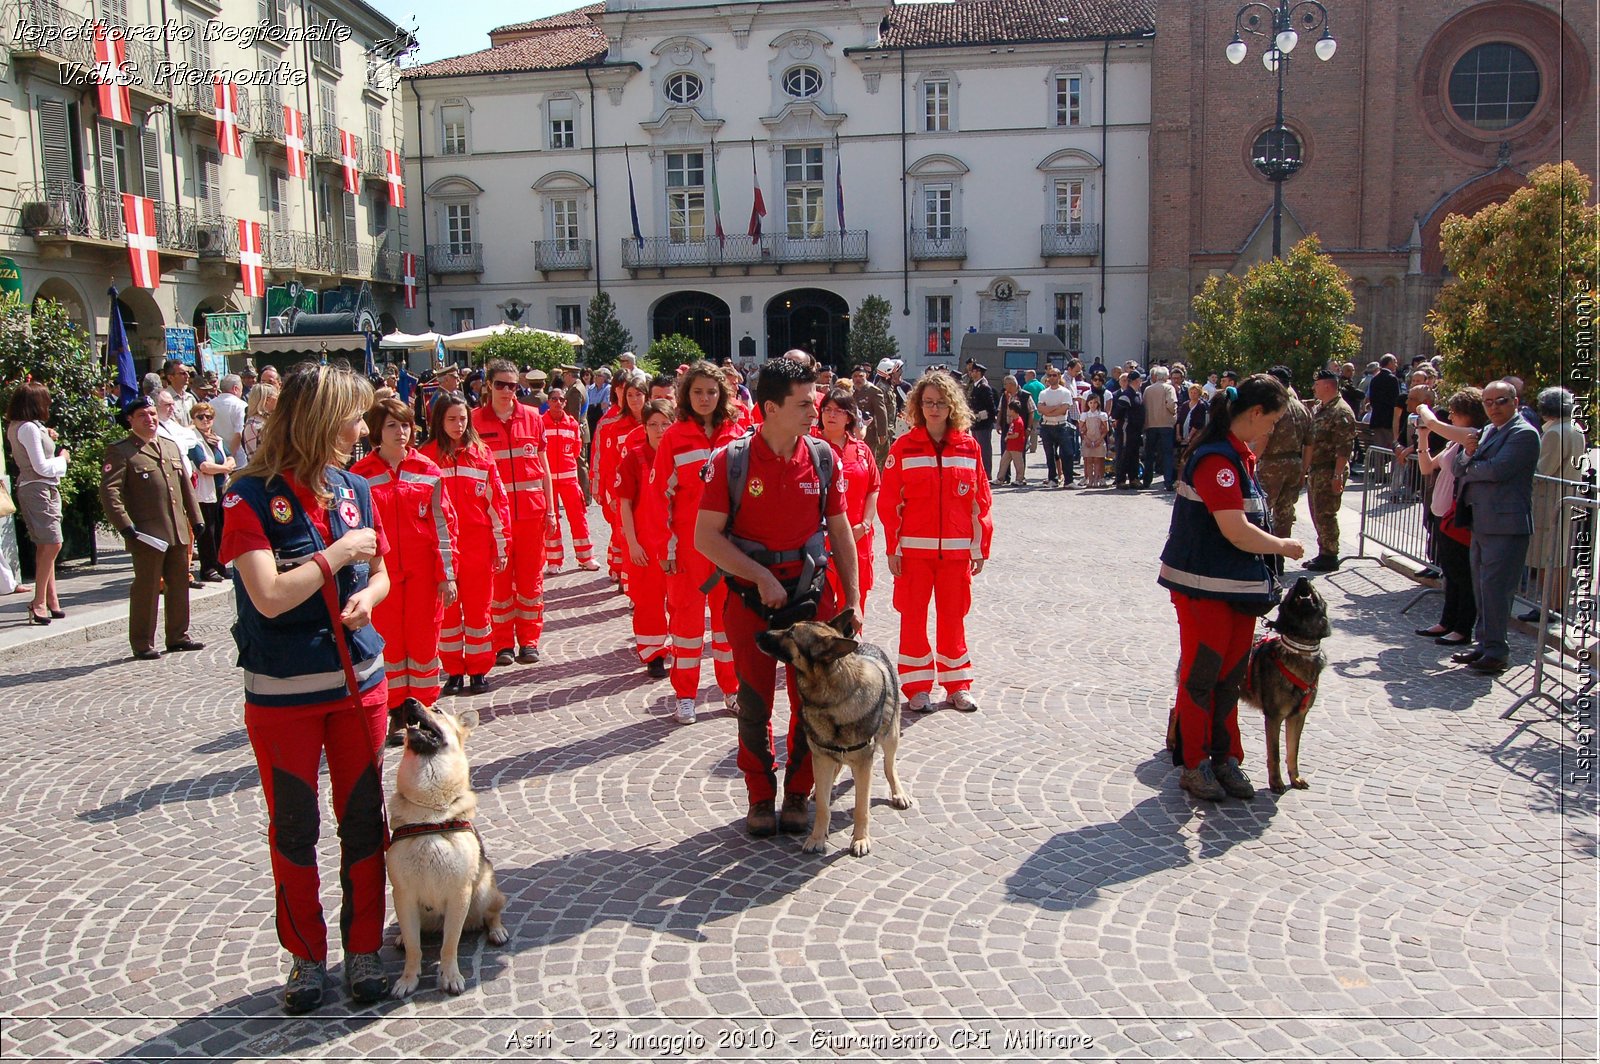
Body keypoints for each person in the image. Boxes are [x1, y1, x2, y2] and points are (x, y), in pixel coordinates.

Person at [218, 363, 391, 1012]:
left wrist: (367, 595)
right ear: (320, 419)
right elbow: (267, 596)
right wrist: (338, 557)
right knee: (294, 830)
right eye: (352, 415)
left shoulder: (354, 488)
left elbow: (383, 575)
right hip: (283, 695)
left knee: (363, 826)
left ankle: (365, 950)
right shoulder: (249, 496)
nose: (361, 427)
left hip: (360, 689)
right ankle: (306, 960)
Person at [695, 356, 858, 836]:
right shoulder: (732, 461)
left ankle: (798, 793)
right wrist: (758, 577)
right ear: (770, 407)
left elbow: (840, 529)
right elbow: (706, 537)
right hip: (750, 601)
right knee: (754, 701)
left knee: (813, 699)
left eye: (816, 399)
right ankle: (760, 796)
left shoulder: (823, 458)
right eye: (805, 402)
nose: (816, 409)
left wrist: (853, 596)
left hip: (812, 598)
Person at [1158, 373, 1304, 801]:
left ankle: (1226, 758)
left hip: (1236, 590)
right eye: (1273, 420)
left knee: (1230, 679)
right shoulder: (1217, 460)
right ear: (1255, 413)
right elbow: (1235, 530)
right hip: (1204, 589)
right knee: (1202, 677)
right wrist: (1283, 547)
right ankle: (1195, 761)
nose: (1273, 429)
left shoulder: (1239, 457)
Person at [878, 370, 993, 712]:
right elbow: (889, 502)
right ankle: (916, 687)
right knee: (912, 619)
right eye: (927, 402)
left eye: (941, 403)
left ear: (951, 406)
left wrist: (980, 547)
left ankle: (957, 684)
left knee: (953, 618)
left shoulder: (969, 447)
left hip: (956, 555)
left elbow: (980, 501)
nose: (934, 409)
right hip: (913, 554)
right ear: (917, 406)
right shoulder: (903, 447)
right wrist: (893, 548)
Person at [1422, 380, 1540, 675]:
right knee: (1481, 588)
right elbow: (1461, 465)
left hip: (1506, 524)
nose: (1494, 407)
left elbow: (1497, 470)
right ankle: (1485, 643)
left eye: (1500, 401)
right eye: (1488, 402)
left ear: (1514, 401)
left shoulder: (1524, 433)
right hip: (1481, 522)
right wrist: (1471, 458)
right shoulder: (1488, 431)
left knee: (1496, 590)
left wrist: (1473, 462)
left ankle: (1497, 651)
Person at [351, 397, 457, 711]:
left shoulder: (428, 470)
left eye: (406, 425)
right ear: (377, 431)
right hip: (380, 575)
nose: (401, 432)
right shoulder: (360, 475)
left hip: (423, 572)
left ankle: (423, 705)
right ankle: (395, 708)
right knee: (389, 642)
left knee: (424, 640)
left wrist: (447, 575)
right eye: (392, 425)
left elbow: (444, 525)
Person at [655, 361, 744, 723]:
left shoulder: (738, 434)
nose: (705, 398)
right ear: (686, 395)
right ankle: (685, 695)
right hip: (687, 550)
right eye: (697, 391)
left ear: (722, 393)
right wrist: (667, 547)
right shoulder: (674, 437)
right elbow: (659, 495)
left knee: (729, 626)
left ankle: (732, 690)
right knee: (687, 627)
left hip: (729, 549)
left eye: (711, 391)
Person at [419, 394, 510, 696]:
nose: (459, 425)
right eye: (451, 419)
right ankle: (454, 670)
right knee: (447, 614)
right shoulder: (426, 457)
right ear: (438, 422)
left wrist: (501, 544)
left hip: (477, 547)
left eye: (463, 419)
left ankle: (479, 669)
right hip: (441, 549)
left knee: (478, 612)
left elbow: (498, 504)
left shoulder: (482, 455)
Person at [473, 359, 557, 667]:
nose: (508, 391)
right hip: (493, 519)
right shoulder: (474, 421)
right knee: (498, 582)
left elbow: (545, 470)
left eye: (513, 385)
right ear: (488, 386)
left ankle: (529, 640)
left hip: (532, 515)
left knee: (530, 581)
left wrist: (550, 511)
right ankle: (503, 643)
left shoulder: (534, 417)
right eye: (500, 385)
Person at [1414, 387, 1488, 646]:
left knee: (1462, 575)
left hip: (1458, 517)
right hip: (1441, 515)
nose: (1452, 417)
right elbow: (1427, 466)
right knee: (1450, 572)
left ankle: (1462, 627)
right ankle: (1447, 621)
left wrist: (1423, 409)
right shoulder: (1454, 441)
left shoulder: (1473, 436)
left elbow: (1434, 422)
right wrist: (1422, 437)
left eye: (1456, 413)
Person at [617, 399, 674, 678]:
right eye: (653, 424)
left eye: (665, 423)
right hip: (646, 546)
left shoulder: (681, 456)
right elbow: (625, 504)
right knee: (649, 603)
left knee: (679, 601)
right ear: (645, 427)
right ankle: (654, 654)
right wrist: (633, 543)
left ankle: (679, 647)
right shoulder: (635, 457)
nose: (659, 430)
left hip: (676, 543)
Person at [6, 381, 69, 624]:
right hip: (37, 487)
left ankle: (50, 599)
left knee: (47, 545)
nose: (49, 404)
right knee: (52, 543)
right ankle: (39, 601)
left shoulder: (24, 426)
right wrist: (62, 459)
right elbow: (40, 466)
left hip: (41, 487)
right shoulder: (28, 428)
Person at [817, 387, 881, 617]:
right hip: (819, 540)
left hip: (857, 537)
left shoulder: (861, 450)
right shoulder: (808, 446)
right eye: (827, 409)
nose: (831, 415)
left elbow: (874, 487)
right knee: (819, 605)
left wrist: (865, 524)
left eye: (838, 410)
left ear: (849, 417)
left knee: (852, 605)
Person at [1524, 386, 1585, 622]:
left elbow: (1543, 470)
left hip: (1549, 501)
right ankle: (1554, 604)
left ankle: (1548, 605)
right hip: (1565, 497)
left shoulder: (1554, 433)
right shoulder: (1575, 429)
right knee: (1558, 556)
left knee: (1546, 557)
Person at [594, 370, 648, 589]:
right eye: (630, 395)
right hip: (626, 493)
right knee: (626, 538)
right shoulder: (615, 427)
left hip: (650, 492)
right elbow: (607, 463)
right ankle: (631, 587)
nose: (634, 400)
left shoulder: (656, 422)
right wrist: (609, 494)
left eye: (638, 395)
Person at [1302, 370, 1357, 572]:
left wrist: (1338, 474)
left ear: (1327, 386)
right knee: (1316, 512)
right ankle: (1323, 550)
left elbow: (1344, 447)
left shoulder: (1341, 411)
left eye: (1317, 385)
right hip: (1317, 469)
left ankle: (1330, 554)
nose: (1314, 388)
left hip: (1330, 469)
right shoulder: (1321, 408)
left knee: (1326, 513)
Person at [541, 389, 598, 573]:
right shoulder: (540, 423)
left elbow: (576, 450)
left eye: (561, 399)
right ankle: (554, 561)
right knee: (551, 520)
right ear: (548, 401)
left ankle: (586, 558)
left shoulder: (572, 424)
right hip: (548, 481)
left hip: (569, 480)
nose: (558, 402)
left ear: (566, 402)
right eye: (554, 399)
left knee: (578, 518)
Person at [1256, 366, 1312, 550]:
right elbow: (1309, 443)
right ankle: (1280, 554)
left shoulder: (1275, 406)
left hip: (1273, 463)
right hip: (1294, 464)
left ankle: (1263, 553)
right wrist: (1304, 468)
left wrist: (1252, 460)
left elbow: (1265, 436)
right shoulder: (1302, 408)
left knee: (1262, 509)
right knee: (1285, 512)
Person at [187, 401, 236, 582]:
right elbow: (203, 466)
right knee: (208, 531)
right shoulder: (192, 440)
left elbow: (231, 458)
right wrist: (225, 468)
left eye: (208, 417)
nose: (205, 420)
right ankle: (209, 568)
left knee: (221, 529)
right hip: (204, 491)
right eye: (200, 417)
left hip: (221, 489)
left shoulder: (217, 438)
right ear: (194, 419)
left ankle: (221, 565)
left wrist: (225, 466)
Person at [1140, 365, 1180, 490]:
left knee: (1150, 454)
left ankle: (1146, 480)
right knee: (1167, 454)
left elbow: (1144, 406)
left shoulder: (1148, 389)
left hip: (1151, 424)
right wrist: (1174, 413)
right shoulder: (1169, 388)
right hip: (1166, 424)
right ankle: (1168, 482)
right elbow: (1171, 404)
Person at [1035, 366, 1075, 487]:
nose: (1052, 377)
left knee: (1067, 453)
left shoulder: (1065, 392)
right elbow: (1040, 409)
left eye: (1054, 375)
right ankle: (1052, 479)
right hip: (1047, 426)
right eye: (1050, 375)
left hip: (1061, 425)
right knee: (1049, 454)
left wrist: (1048, 409)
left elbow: (1063, 410)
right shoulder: (1043, 393)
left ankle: (1069, 481)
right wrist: (1055, 408)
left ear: (1059, 377)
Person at [1111, 370, 1145, 488]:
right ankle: (1120, 480)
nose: (1141, 381)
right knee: (1123, 454)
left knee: (1134, 454)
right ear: (1135, 381)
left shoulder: (1138, 394)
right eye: (1140, 379)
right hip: (1126, 429)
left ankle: (1133, 478)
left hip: (1136, 430)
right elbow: (1116, 414)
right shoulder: (1126, 395)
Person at [965, 363, 998, 480]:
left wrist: (984, 416)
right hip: (976, 423)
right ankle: (979, 473)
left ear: (978, 372)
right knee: (977, 449)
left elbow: (991, 407)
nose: (971, 373)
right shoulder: (975, 385)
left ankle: (986, 474)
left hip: (983, 423)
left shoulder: (984, 387)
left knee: (984, 450)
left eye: (973, 371)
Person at [1367, 354, 1402, 452]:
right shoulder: (1392, 379)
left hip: (1377, 419)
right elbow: (1396, 400)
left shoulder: (1374, 379)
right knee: (1392, 449)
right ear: (1390, 363)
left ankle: (1378, 468)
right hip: (1389, 420)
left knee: (1379, 450)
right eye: (1395, 362)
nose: (1396, 365)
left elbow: (1372, 399)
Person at [239, 383, 278, 467]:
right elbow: (252, 457)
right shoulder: (253, 425)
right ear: (267, 400)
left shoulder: (272, 420)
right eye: (276, 397)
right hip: (264, 473)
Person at [213, 374, 248, 458]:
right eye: (241, 390)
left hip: (216, 456)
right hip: (237, 459)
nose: (241, 393)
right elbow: (238, 434)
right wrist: (230, 458)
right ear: (235, 389)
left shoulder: (210, 404)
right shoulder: (241, 405)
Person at [1079, 393, 1110, 486]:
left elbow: (1106, 429)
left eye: (1095, 403)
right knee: (1088, 460)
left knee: (1097, 460)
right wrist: (1086, 439)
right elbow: (1081, 429)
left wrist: (1099, 440)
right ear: (1088, 403)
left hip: (1098, 439)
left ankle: (1097, 478)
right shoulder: (1084, 415)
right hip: (1088, 439)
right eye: (1091, 402)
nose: (1093, 405)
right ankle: (1090, 479)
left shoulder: (1102, 415)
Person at [996, 399, 1028, 487]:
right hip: (1010, 446)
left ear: (1013, 411)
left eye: (1009, 409)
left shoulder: (1019, 421)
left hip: (1016, 446)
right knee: (1003, 462)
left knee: (1018, 464)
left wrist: (1008, 437)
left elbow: (1016, 435)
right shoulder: (1013, 420)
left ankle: (1020, 479)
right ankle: (1000, 478)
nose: (1008, 411)